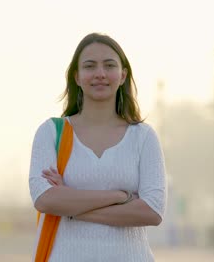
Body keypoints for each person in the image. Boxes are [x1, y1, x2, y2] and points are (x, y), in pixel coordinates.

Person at [29, 32, 166, 261]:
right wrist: (119, 196)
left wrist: (71, 206)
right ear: (77, 76)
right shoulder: (51, 133)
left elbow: (152, 211)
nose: (100, 74)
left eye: (109, 65)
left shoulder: (144, 137)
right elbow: (45, 199)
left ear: (122, 75)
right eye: (90, 66)